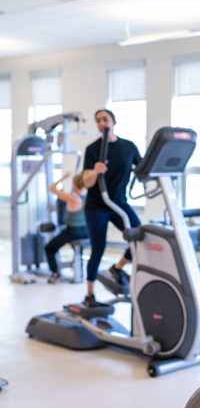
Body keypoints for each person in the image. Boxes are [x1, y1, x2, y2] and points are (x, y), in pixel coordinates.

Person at [83, 109, 142, 307]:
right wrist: (95, 171)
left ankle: (117, 268)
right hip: (96, 206)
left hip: (119, 203)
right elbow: (87, 181)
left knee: (140, 236)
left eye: (105, 119)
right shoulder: (93, 149)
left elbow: (142, 170)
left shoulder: (129, 147)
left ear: (114, 122)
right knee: (98, 249)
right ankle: (89, 295)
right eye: (98, 120)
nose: (102, 123)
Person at [45, 171, 88, 283]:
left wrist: (62, 178)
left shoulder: (72, 198)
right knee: (78, 250)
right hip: (85, 231)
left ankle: (55, 273)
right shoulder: (87, 197)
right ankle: (80, 271)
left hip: (72, 231)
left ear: (74, 185)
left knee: (49, 248)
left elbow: (51, 188)